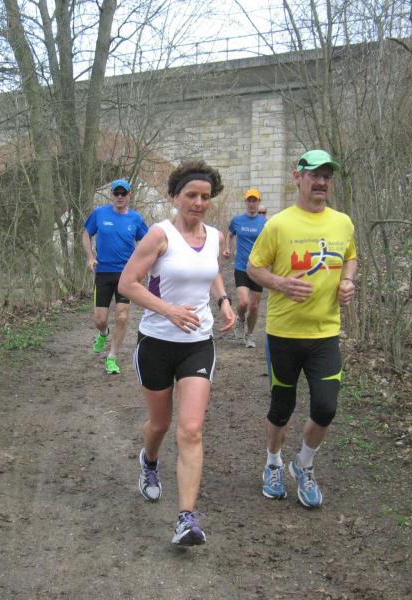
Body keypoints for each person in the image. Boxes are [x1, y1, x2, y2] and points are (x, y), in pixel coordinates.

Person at [118, 160, 235, 546]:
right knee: (160, 424)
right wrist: (168, 310)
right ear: (174, 197)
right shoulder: (159, 235)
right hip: (156, 342)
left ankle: (186, 519)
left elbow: (209, 272)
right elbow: (127, 283)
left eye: (205, 196)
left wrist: (223, 301)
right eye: (191, 195)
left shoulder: (215, 237)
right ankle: (149, 461)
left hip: (198, 344)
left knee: (191, 428)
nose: (198, 203)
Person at [246, 149, 358, 509]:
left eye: (327, 176)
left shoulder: (343, 223)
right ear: (298, 177)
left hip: (325, 333)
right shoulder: (278, 225)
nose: (321, 182)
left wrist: (348, 281)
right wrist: (280, 283)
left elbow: (350, 257)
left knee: (326, 407)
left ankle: (304, 465)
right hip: (284, 333)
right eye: (314, 175)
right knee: (282, 407)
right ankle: (273, 463)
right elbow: (253, 268)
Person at [82, 178, 149, 374]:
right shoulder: (99, 214)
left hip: (126, 274)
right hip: (103, 272)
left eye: (123, 193)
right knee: (100, 319)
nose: (120, 197)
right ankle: (103, 333)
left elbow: (147, 243)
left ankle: (112, 357)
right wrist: (90, 257)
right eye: (116, 193)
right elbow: (86, 234)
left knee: (122, 316)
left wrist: (142, 266)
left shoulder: (135, 219)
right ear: (111, 195)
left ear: (129, 195)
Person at [223, 188, 267, 348]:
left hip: (258, 268)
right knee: (243, 302)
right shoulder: (237, 220)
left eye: (254, 200)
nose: (252, 203)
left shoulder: (264, 223)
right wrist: (227, 248)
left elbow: (270, 242)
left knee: (254, 306)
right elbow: (230, 234)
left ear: (259, 202)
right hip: (241, 267)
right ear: (245, 202)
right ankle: (240, 319)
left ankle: (250, 335)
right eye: (249, 200)